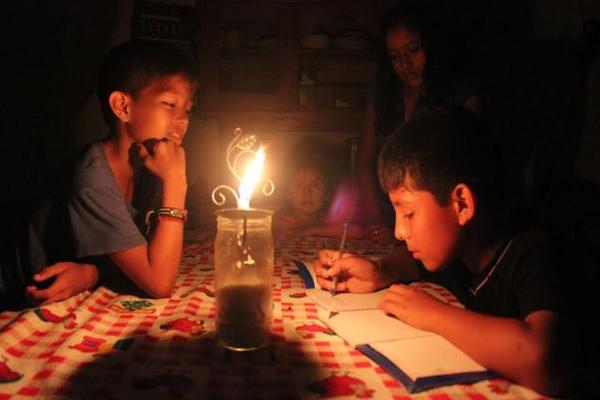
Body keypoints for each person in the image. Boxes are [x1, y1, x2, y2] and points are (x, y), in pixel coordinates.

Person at [314, 108, 575, 396]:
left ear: (461, 204)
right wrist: (380, 271)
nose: (399, 231)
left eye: (409, 213)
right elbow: (410, 264)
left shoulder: (532, 253)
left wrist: (434, 315)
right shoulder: (457, 253)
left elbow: (544, 362)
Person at [0, 41, 197, 309]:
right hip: (15, 300)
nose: (183, 120)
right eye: (169, 104)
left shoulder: (148, 167)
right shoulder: (91, 180)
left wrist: (92, 273)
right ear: (122, 107)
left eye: (187, 108)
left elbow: (141, 254)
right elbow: (159, 283)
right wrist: (176, 182)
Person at [356, 1, 481, 239]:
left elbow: (470, 168)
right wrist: (375, 223)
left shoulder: (460, 96)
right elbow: (364, 163)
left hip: (439, 228)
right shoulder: (381, 96)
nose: (404, 64)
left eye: (413, 50)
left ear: (431, 47)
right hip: (387, 223)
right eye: (394, 56)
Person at [273, 137, 362, 239]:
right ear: (286, 193)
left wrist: (311, 230)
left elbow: (356, 231)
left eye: (315, 185)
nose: (307, 192)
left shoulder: (327, 218)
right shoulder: (281, 220)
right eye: (298, 185)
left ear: (327, 193)